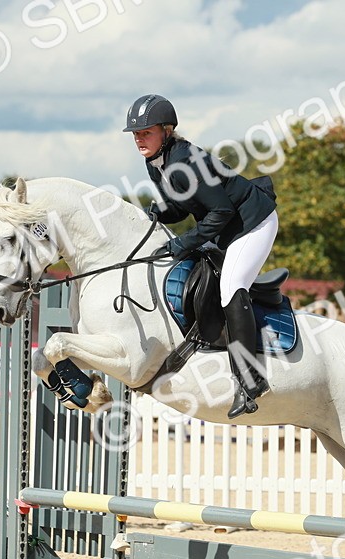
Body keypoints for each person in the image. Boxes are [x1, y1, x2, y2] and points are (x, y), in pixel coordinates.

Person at [123, 93, 278, 419]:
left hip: (253, 223)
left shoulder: (183, 163)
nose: (139, 139)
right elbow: (185, 206)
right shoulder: (156, 164)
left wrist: (183, 243)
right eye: (136, 134)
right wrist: (161, 213)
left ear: (166, 130)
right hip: (228, 226)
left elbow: (220, 210)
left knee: (231, 285)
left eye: (146, 132)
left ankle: (251, 381)